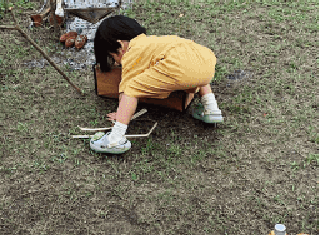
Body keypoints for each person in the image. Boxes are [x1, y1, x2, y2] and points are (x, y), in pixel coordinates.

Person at [89, 15, 223, 154]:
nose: (117, 63)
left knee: (131, 88)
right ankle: (211, 108)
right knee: (191, 67)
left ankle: (115, 139)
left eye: (113, 57)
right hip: (206, 61)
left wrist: (120, 114)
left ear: (121, 45)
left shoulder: (131, 52)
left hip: (180, 67)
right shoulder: (152, 42)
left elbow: (127, 89)